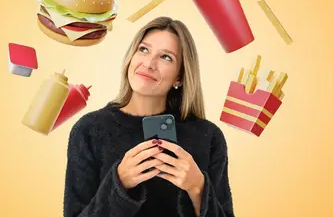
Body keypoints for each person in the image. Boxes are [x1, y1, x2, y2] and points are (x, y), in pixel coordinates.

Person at [63, 17, 235, 217]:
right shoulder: (89, 130)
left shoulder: (208, 136)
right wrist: (119, 183)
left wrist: (197, 188)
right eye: (143, 49)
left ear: (179, 77)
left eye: (166, 57)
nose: (149, 63)